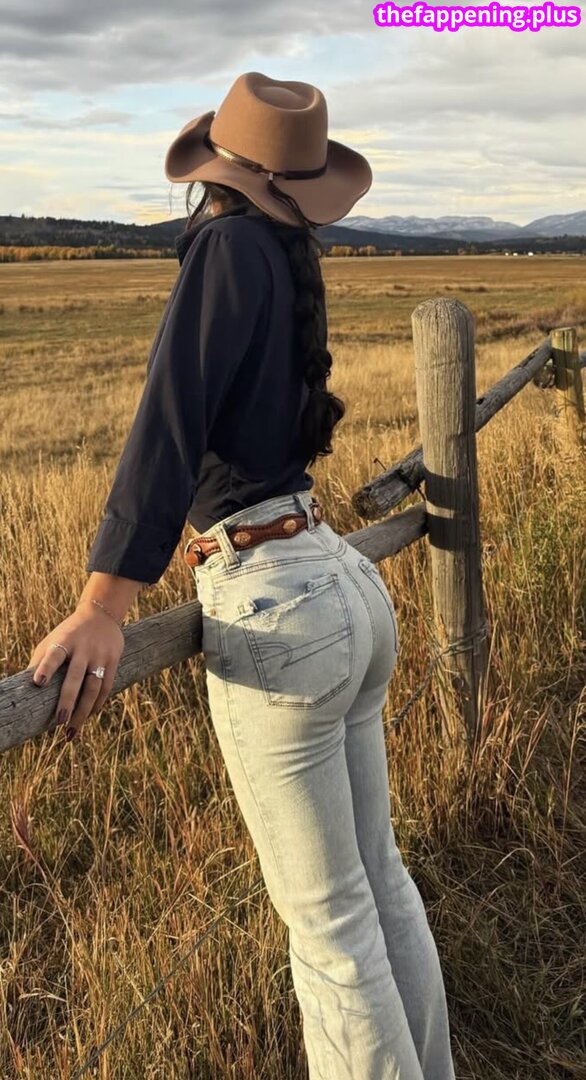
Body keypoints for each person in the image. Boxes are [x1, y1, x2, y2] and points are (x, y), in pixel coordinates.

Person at [27, 72, 456, 1079]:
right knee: (379, 884)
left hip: (275, 600)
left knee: (331, 927)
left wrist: (103, 602)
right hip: (334, 576)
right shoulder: (286, 254)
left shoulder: (225, 248)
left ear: (216, 172)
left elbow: (168, 424)